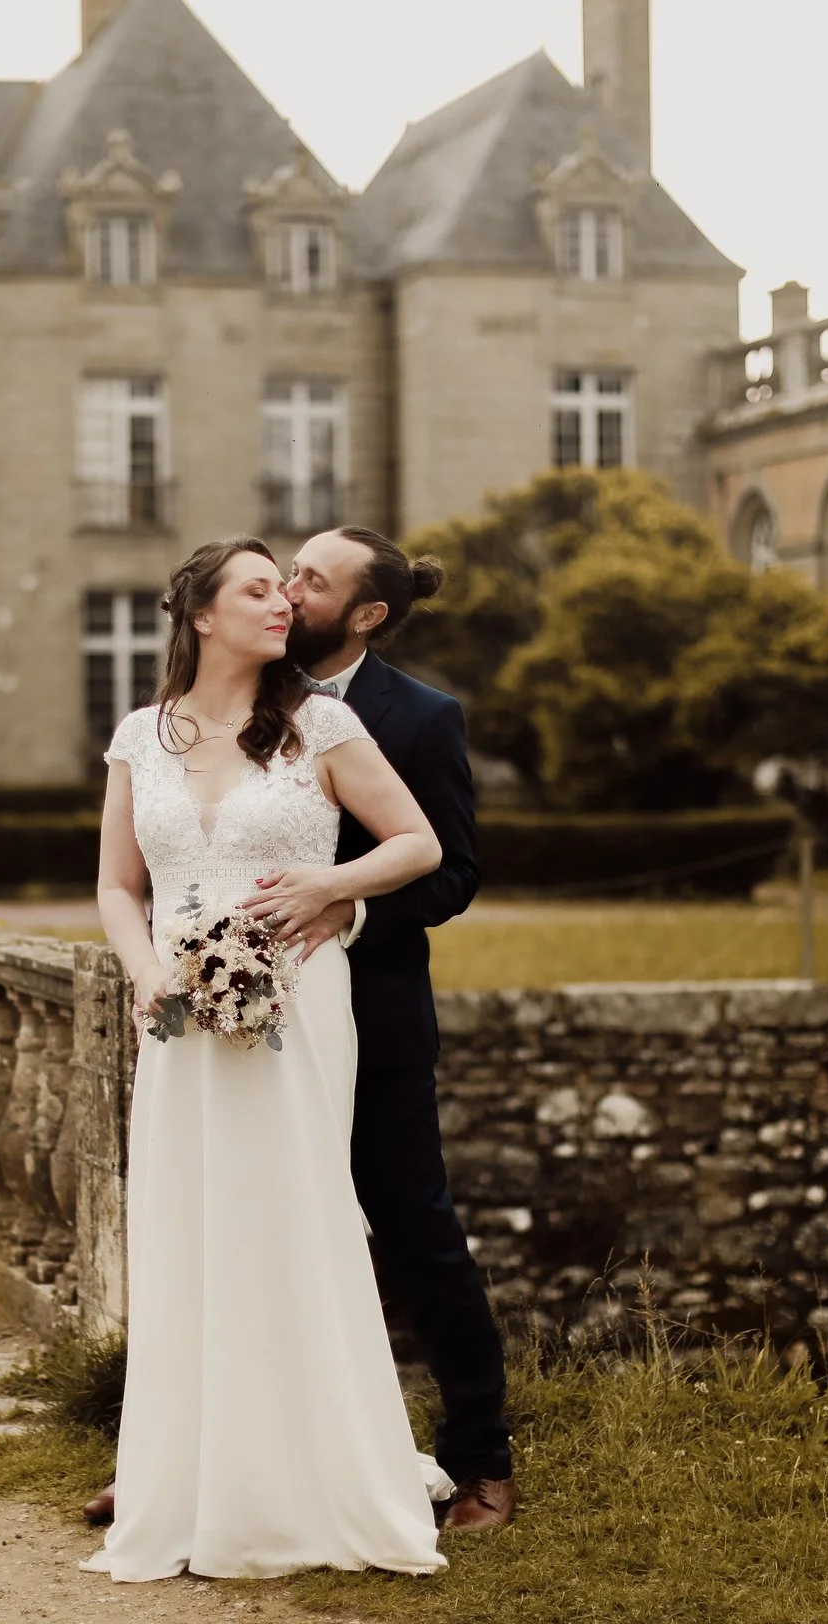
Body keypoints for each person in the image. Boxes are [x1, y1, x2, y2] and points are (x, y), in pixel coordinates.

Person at [83, 537, 453, 1581]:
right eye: (256, 588)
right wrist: (139, 968)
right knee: (192, 1222)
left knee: (292, 1208)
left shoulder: (322, 724)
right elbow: (118, 885)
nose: (281, 601)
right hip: (178, 1016)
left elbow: (416, 842)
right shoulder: (138, 736)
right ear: (200, 614)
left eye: (285, 587)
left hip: (296, 1000)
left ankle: (315, 1473)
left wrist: (330, 887)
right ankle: (192, 1479)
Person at [277, 526, 516, 1531]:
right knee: (244, 1229)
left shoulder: (420, 718)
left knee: (418, 1231)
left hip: (372, 1013)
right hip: (252, 1016)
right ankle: (201, 1454)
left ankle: (481, 1460)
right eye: (286, 571)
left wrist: (352, 909)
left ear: (365, 613)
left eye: (311, 579)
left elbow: (453, 872)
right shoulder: (239, 696)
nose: (288, 590)